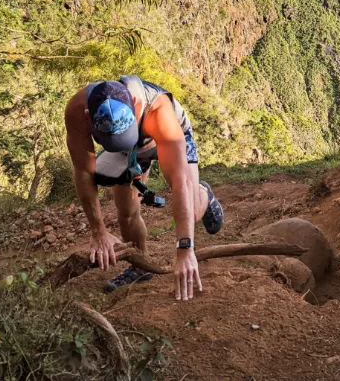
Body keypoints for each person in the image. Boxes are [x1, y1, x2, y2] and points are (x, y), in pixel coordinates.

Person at [64, 75, 223, 301]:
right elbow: (83, 171)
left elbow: (180, 182)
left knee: (192, 208)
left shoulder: (159, 111)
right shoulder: (77, 111)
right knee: (126, 212)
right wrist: (97, 231)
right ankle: (140, 267)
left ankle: (204, 194)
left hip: (165, 135)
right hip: (128, 143)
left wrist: (185, 248)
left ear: (135, 105)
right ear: (89, 117)